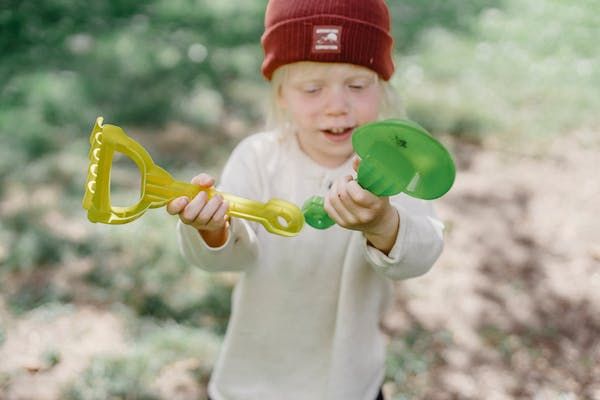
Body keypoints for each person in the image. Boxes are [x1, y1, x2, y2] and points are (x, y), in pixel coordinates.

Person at [167, 1, 445, 399]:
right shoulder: (259, 159)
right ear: (280, 94)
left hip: (347, 382)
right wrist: (213, 230)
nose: (336, 105)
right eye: (312, 89)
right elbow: (229, 258)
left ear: (382, 87)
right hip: (254, 379)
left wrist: (383, 224)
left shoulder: (393, 171)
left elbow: (422, 255)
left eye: (357, 85)